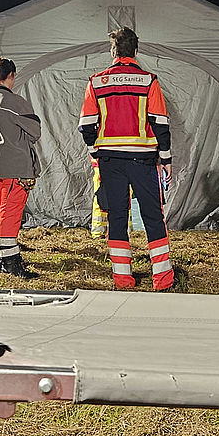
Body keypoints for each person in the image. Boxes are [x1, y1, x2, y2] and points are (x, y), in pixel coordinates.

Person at [78, 27, 174, 291]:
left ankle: (122, 278)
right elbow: (161, 124)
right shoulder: (149, 81)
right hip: (143, 159)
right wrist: (165, 159)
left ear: (113, 51)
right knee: (154, 217)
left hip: (110, 160)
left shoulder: (96, 82)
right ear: (136, 50)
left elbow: (86, 126)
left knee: (117, 218)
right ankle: (162, 279)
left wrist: (95, 153)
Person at [0, 58, 41, 278]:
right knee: (11, 214)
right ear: (11, 76)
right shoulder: (15, 102)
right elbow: (35, 131)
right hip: (15, 166)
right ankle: (12, 263)